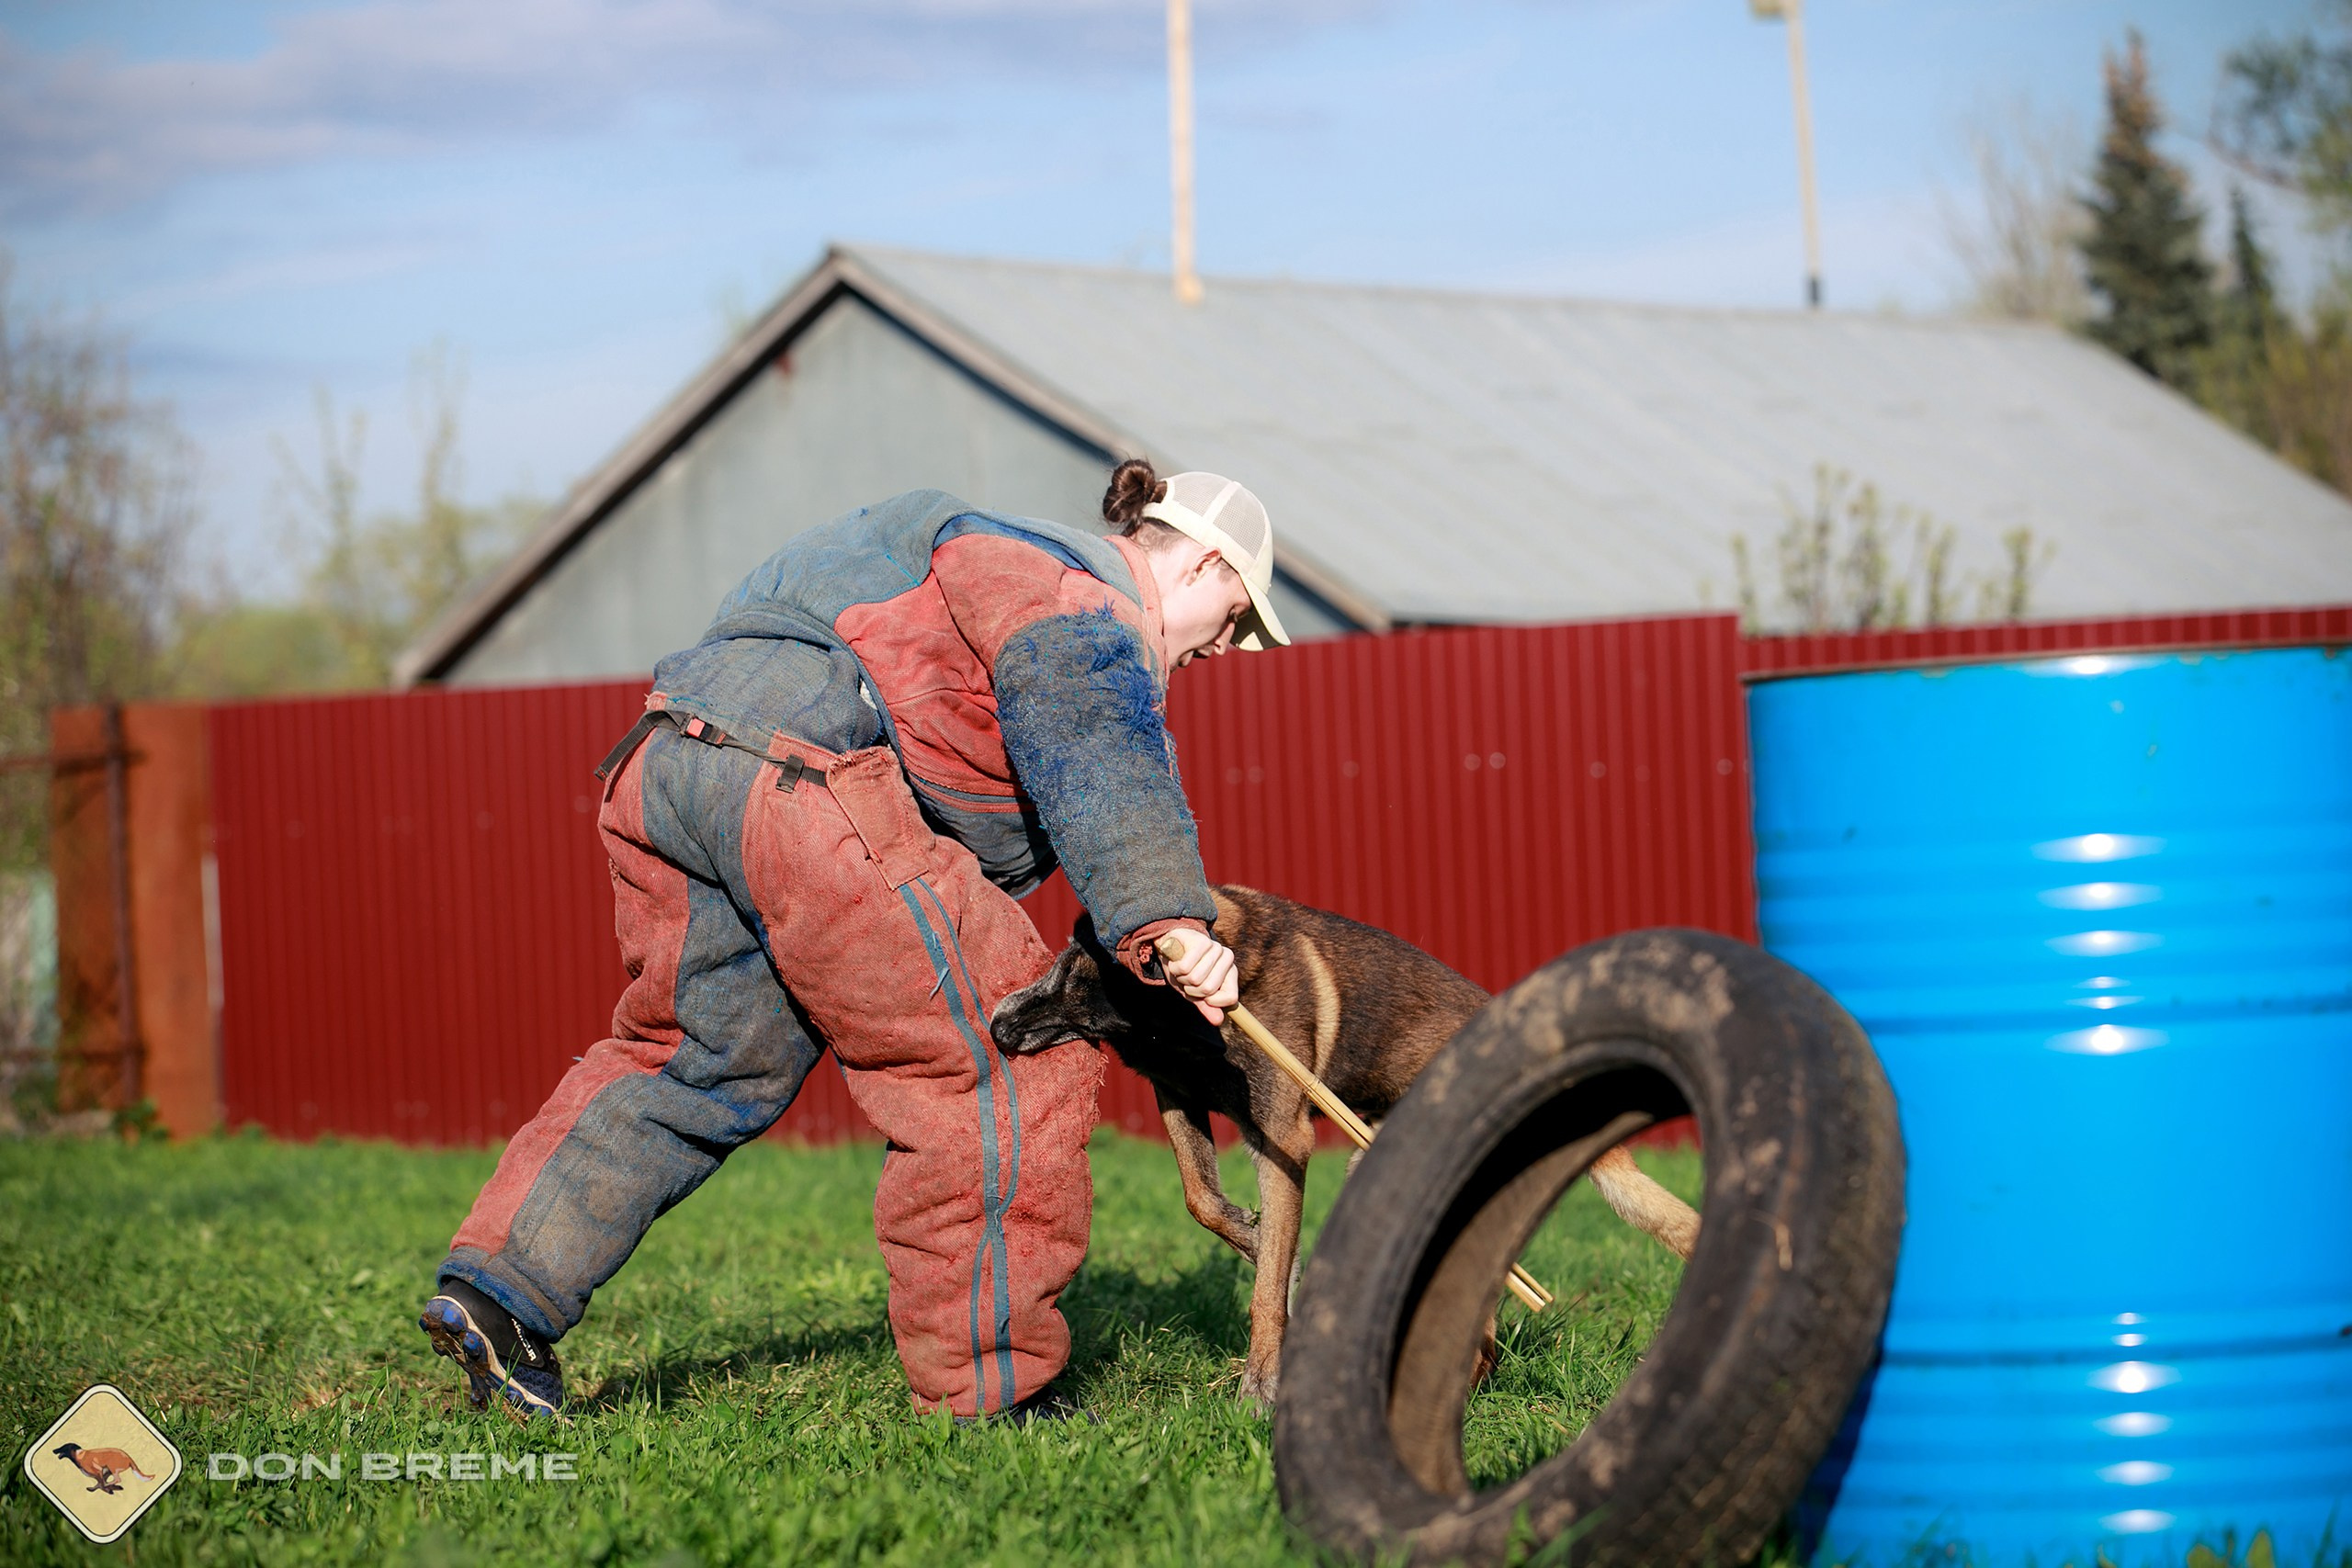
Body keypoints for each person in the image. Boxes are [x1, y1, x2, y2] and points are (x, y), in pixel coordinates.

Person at [417, 459, 1289, 1422]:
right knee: (1000, 1066)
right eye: (1239, 618)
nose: (1229, 646)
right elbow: (1096, 744)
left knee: (692, 1060)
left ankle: (498, 1296)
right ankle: (989, 1394)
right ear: (1205, 564)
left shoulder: (945, 538)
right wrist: (1168, 918)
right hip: (811, 779)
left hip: (668, 761)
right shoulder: (1075, 594)